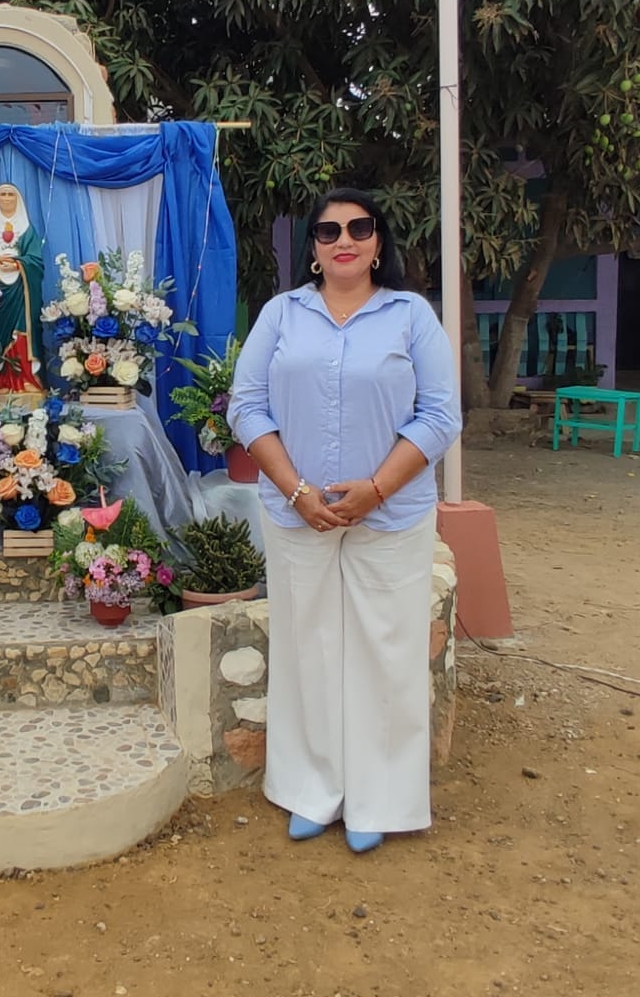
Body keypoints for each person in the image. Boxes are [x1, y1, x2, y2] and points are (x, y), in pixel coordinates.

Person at [226, 187, 461, 855]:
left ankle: (378, 799)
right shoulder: (281, 314)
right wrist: (298, 489)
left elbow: (441, 414)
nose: (344, 240)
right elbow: (247, 406)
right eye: (329, 231)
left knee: (386, 650)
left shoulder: (410, 316)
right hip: (297, 512)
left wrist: (375, 490)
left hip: (392, 513)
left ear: (379, 242)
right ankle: (311, 789)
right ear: (314, 248)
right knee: (308, 645)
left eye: (359, 228)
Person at [0, 181, 46, 400]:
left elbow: (36, 261)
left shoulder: (27, 229)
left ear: (18, 199)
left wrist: (18, 264)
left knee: (23, 333)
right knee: (2, 337)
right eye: (3, 194)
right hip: (0, 293)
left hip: (22, 291)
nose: (7, 199)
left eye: (11, 194)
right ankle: (3, 382)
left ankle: (27, 379)